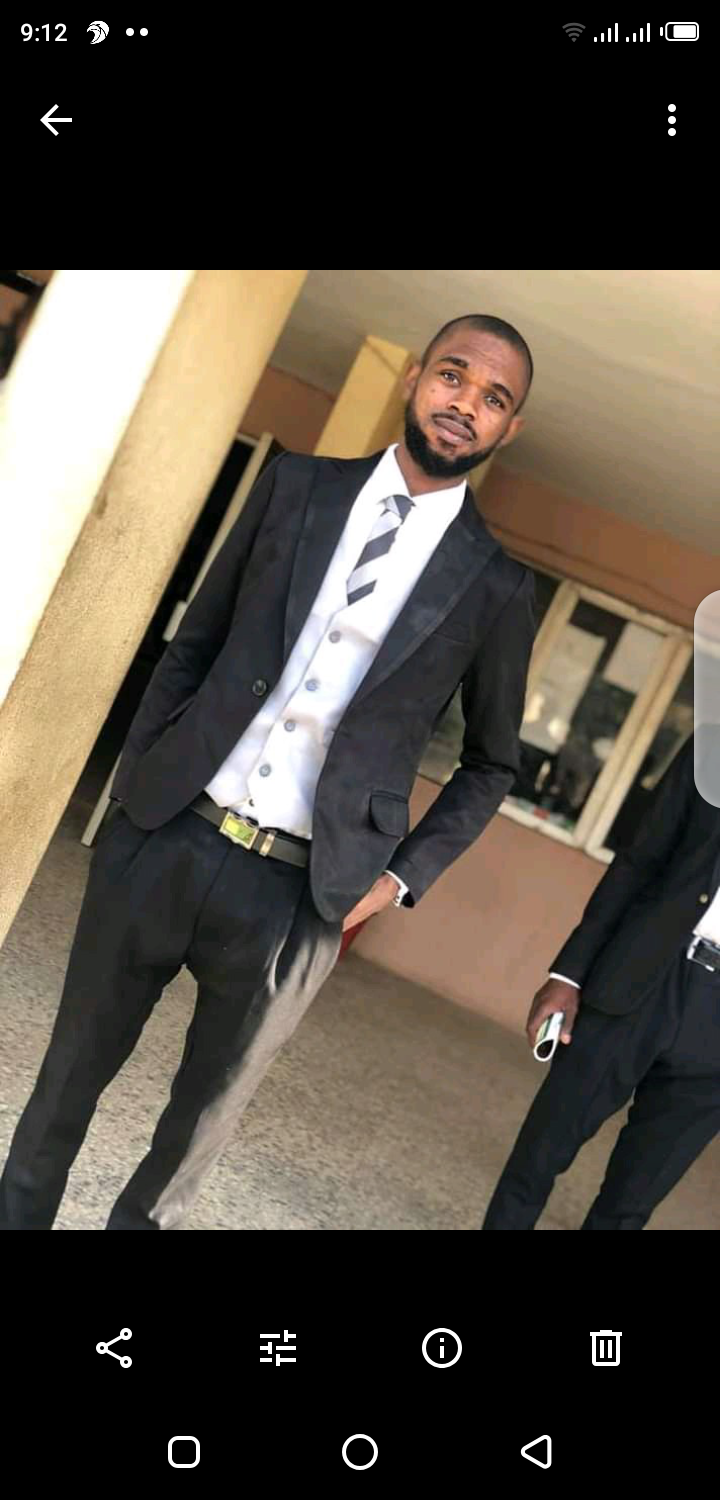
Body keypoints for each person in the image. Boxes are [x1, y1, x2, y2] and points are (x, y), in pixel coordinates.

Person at [0, 312, 536, 1230]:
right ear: (414, 378)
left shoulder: (497, 585)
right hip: (169, 836)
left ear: (508, 429)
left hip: (301, 897)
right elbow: (195, 643)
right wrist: (136, 791)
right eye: (453, 376)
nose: (465, 405)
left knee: (192, 1139)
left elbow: (492, 764)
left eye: (493, 398)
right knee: (65, 1083)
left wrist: (398, 880)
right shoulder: (295, 485)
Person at [482, 726, 720, 1230]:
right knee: (540, 1153)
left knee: (632, 1202)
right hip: (642, 974)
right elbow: (639, 860)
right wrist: (569, 973)